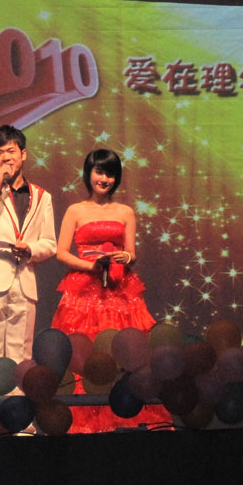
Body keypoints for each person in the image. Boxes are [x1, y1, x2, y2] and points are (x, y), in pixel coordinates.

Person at [51, 148, 171, 432]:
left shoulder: (125, 211)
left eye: (110, 174)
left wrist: (125, 257)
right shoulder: (75, 210)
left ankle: (127, 412)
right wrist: (90, 266)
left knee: (125, 347)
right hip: (83, 287)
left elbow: (132, 253)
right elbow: (60, 253)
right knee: (83, 348)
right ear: (88, 174)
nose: (104, 179)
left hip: (120, 287)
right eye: (99, 172)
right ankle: (84, 418)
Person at [0, 125, 57, 364]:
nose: (5, 158)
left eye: (11, 151)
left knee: (21, 357)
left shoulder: (42, 196)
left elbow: (49, 243)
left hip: (24, 281)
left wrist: (31, 249)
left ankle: (18, 390)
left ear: (23, 154)